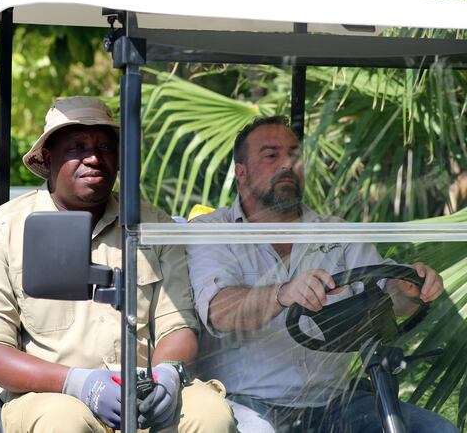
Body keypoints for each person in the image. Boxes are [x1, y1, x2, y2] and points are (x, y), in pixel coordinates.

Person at [0, 97, 236, 433]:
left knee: (210, 414)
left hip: (144, 393)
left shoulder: (151, 227)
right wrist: (79, 383)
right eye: (77, 147)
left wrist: (166, 375)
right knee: (65, 423)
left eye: (105, 146)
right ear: (48, 159)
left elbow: (176, 327)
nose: (93, 157)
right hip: (52, 394)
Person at [187, 115, 455, 433]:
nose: (287, 163)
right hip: (245, 402)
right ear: (241, 172)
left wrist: (407, 289)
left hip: (336, 404)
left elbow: (387, 300)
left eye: (295, 155)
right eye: (272, 155)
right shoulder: (211, 232)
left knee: (438, 430)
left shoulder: (336, 231)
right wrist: (281, 293)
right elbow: (218, 311)